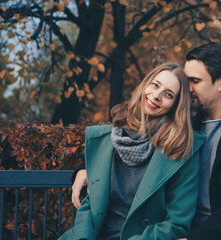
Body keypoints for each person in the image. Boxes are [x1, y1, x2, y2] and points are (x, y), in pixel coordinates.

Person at [71, 42, 221, 240]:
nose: (186, 89)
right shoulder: (179, 125)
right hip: (178, 232)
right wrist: (85, 170)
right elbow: (126, 148)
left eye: (195, 81)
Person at [60, 62, 205, 240]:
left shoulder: (181, 150)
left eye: (168, 94)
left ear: (176, 105)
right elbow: (90, 206)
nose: (156, 96)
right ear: (145, 85)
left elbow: (176, 224)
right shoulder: (108, 139)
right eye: (155, 85)